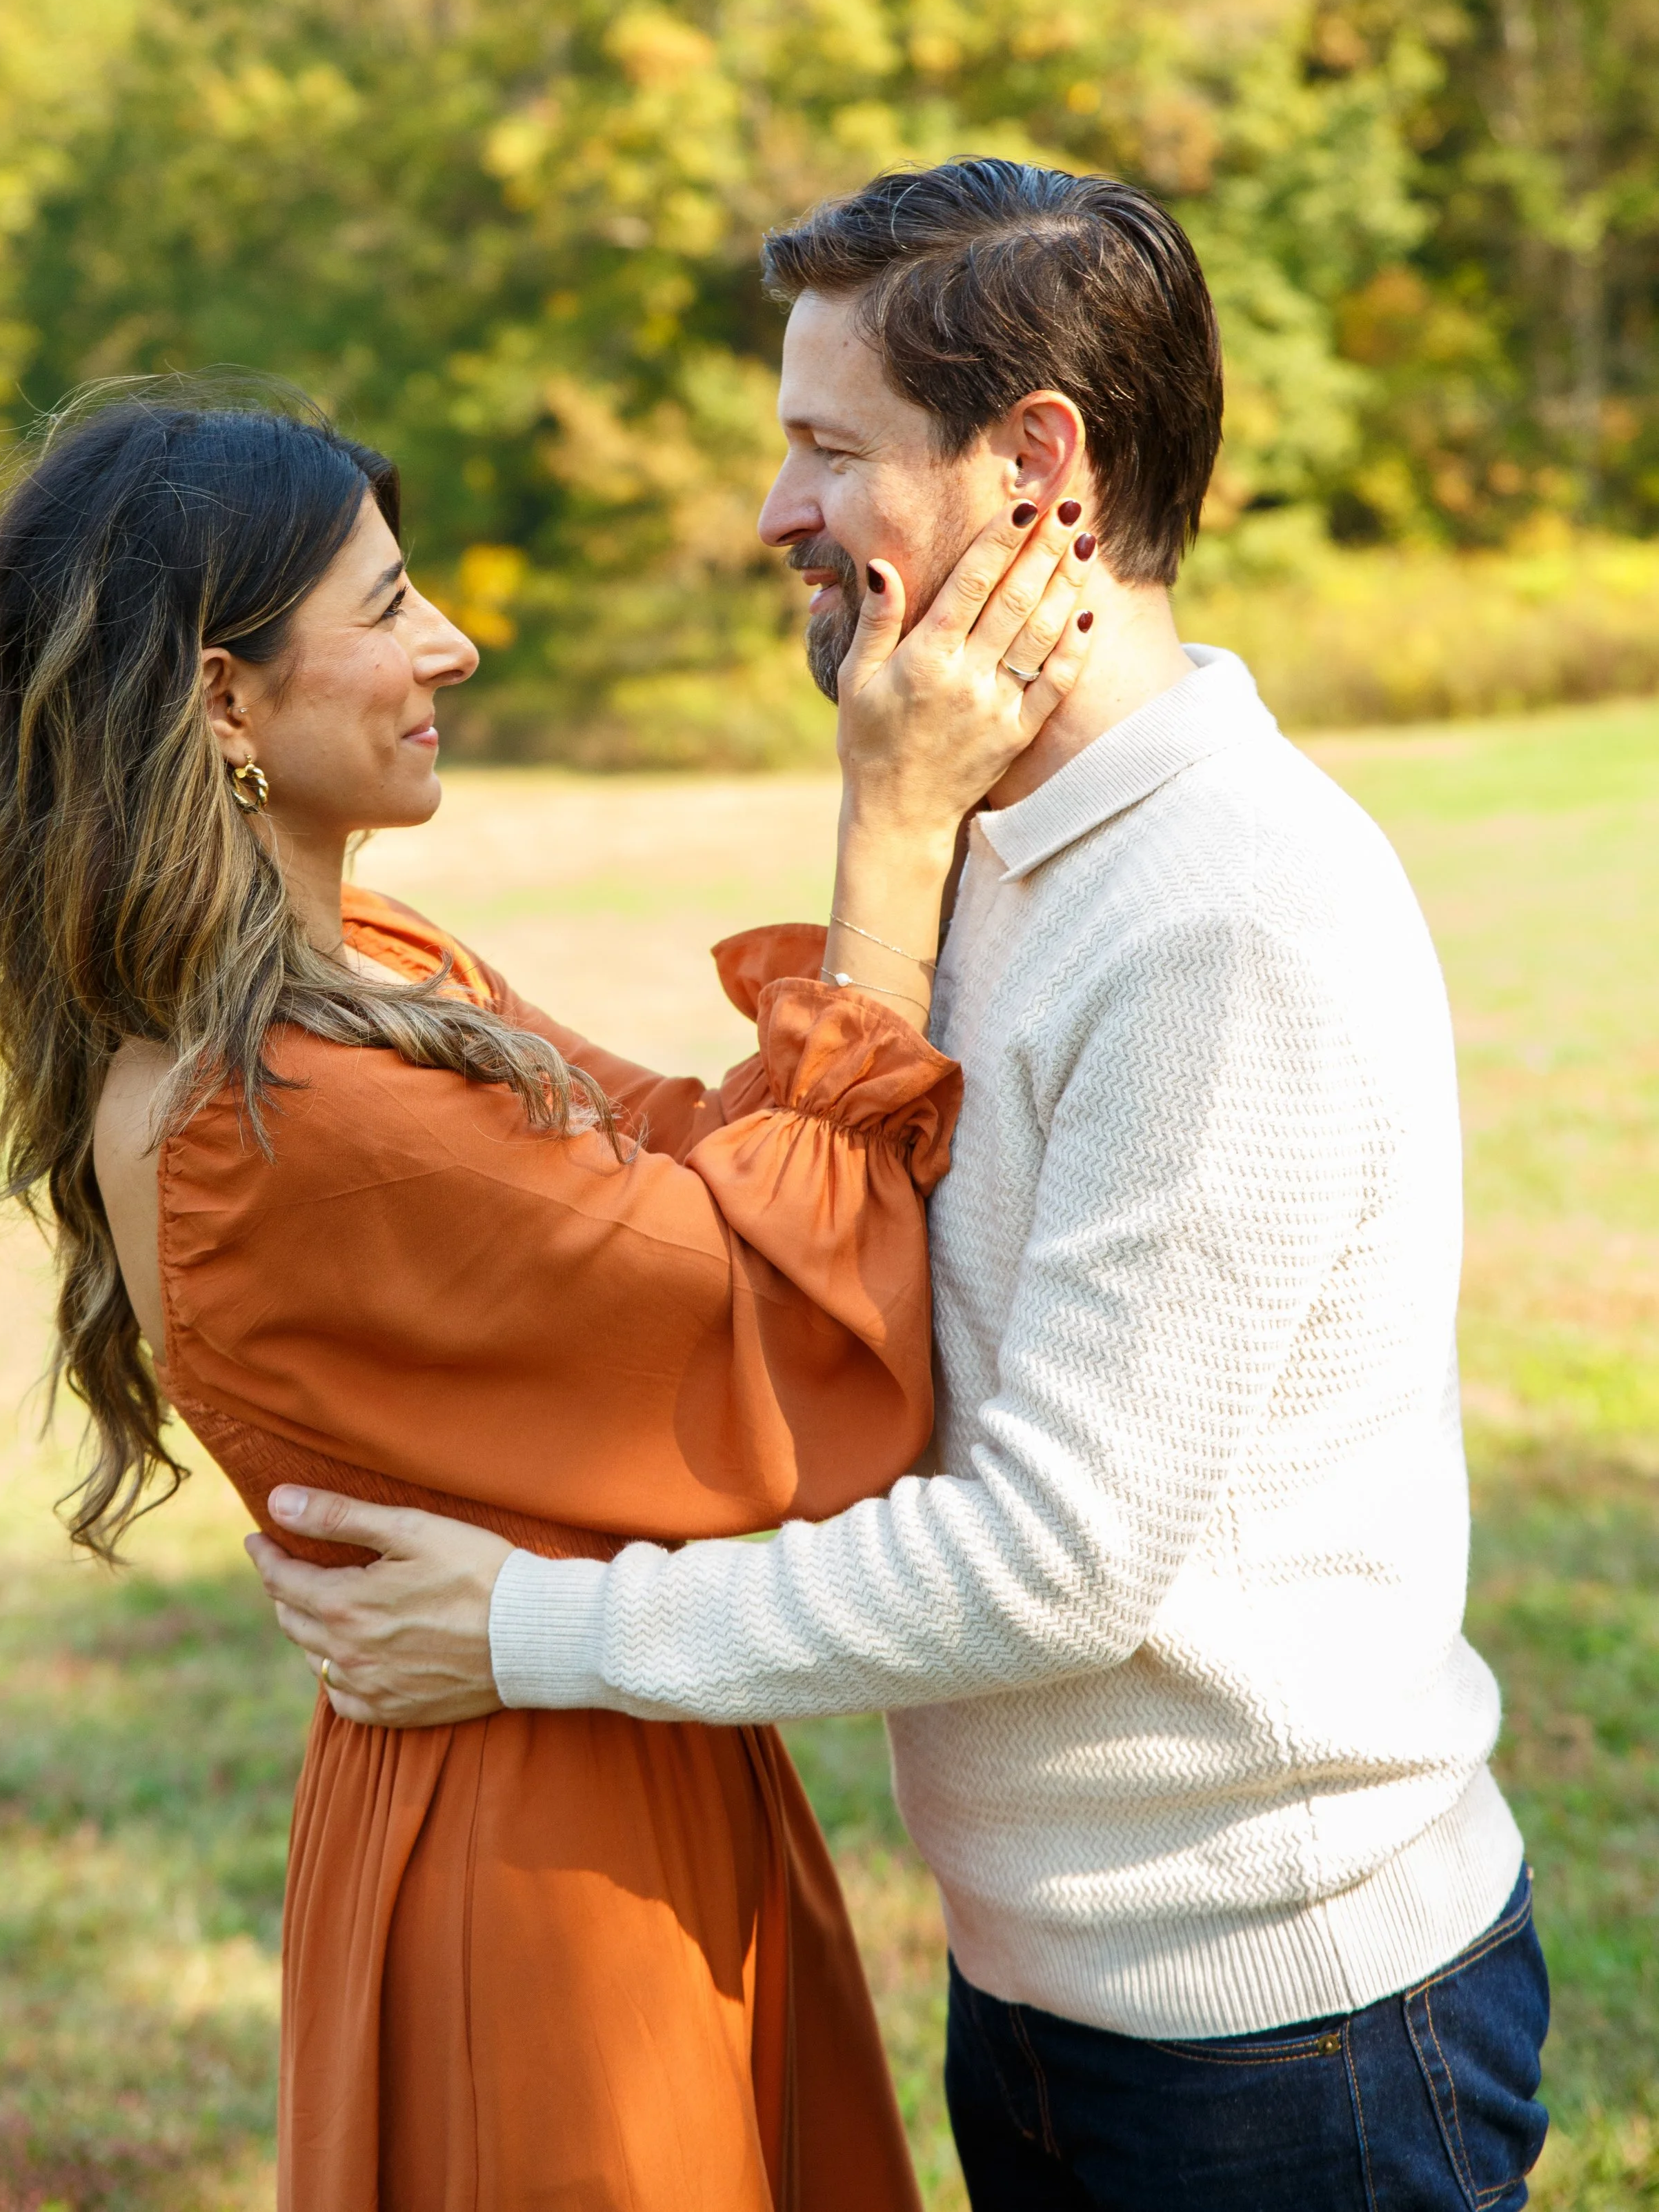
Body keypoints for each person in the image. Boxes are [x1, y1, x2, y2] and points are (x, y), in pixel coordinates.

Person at [255, 163, 1552, 2212]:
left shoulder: (1228, 907)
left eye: (827, 450)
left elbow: (1052, 1560)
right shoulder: (995, 843)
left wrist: (522, 1629)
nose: (777, 515)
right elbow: (792, 1255)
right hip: (1048, 1987)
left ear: (1037, 472)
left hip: (1284, 2030)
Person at [0, 374, 1098, 2212]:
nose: (454, 645)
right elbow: (787, 1342)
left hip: (587, 1754)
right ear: (225, 698)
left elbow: (710, 1155)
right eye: (389, 606)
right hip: (539, 1863)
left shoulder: (360, 973)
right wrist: (891, 828)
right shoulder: (286, 1108)